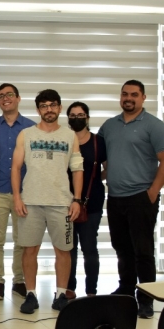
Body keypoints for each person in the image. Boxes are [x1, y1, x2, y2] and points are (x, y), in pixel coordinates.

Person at [98, 80, 164, 319]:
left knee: (143, 251)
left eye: (134, 94)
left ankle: (146, 299)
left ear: (143, 98)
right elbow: (102, 156)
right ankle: (126, 291)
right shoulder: (109, 126)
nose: (128, 98)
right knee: (122, 248)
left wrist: (153, 191)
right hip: (116, 198)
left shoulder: (153, 125)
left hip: (141, 198)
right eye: (125, 94)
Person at [12, 89, 83, 314]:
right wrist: (17, 197)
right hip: (30, 202)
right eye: (44, 106)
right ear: (38, 110)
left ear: (60, 108)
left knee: (63, 250)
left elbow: (77, 169)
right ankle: (31, 294)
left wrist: (77, 200)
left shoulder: (70, 136)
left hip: (61, 203)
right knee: (29, 249)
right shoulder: (26, 134)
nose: (48, 109)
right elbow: (15, 168)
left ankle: (61, 294)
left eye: (53, 105)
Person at [0, 83, 35, 300]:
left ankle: (19, 281)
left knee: (21, 239)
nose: (5, 98)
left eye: (9, 94)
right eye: (1, 96)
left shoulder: (31, 128)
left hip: (23, 192)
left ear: (18, 98)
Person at [65, 102, 107, 299]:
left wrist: (95, 180)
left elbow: (107, 168)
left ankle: (91, 291)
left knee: (89, 248)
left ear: (88, 118)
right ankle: (69, 288)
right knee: (68, 248)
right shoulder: (64, 140)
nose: (77, 119)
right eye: (73, 115)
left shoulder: (99, 142)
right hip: (65, 203)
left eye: (80, 115)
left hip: (92, 203)